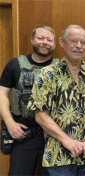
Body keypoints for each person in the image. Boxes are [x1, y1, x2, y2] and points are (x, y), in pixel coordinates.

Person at [27, 25, 85, 175]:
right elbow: (40, 115)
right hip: (60, 156)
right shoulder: (47, 75)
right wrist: (68, 141)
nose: (79, 46)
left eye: (83, 42)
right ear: (62, 42)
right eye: (73, 41)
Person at [0, 25, 57, 175]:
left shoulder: (61, 68)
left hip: (52, 136)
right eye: (40, 38)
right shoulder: (15, 65)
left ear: (55, 44)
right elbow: (1, 94)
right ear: (32, 40)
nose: (44, 42)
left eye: (49, 40)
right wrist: (10, 123)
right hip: (23, 134)